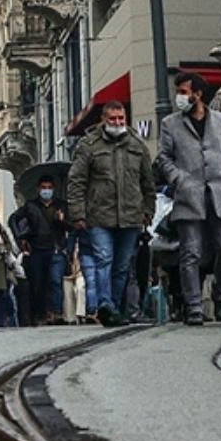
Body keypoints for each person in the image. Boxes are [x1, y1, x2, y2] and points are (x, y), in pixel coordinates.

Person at [156, 72, 221, 326]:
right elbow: (164, 158)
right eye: (178, 92)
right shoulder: (170, 123)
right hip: (188, 196)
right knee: (190, 253)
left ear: (198, 94)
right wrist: (178, 179)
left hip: (219, 195)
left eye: (183, 92)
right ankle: (193, 305)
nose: (179, 97)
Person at [67, 101, 156, 328]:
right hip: (99, 216)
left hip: (131, 216)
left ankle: (113, 307)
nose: (117, 123)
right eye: (113, 119)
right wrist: (78, 213)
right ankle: (105, 304)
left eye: (121, 118)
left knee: (122, 265)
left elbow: (148, 182)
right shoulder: (89, 145)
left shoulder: (137, 145)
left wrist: (148, 210)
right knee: (104, 258)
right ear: (104, 120)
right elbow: (77, 181)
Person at [12, 176, 73, 326]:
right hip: (37, 249)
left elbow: (71, 227)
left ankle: (56, 312)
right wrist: (20, 238)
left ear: (54, 189)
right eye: (44, 188)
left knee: (55, 280)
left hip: (56, 249)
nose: (46, 191)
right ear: (38, 189)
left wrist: (61, 221)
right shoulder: (30, 206)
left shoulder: (61, 206)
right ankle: (40, 314)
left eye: (49, 188)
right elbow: (13, 219)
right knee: (37, 284)